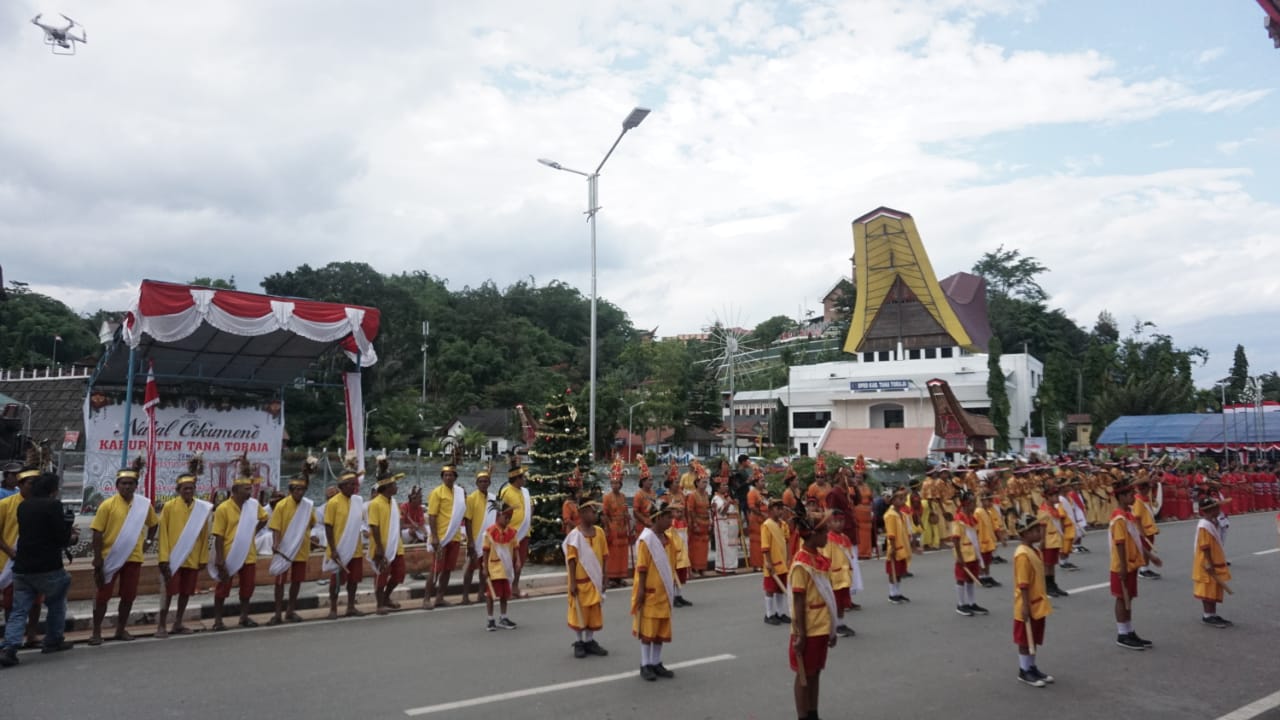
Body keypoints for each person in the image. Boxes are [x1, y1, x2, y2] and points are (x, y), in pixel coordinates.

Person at [0, 472, 79, 667]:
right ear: (53, 490)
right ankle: (53, 640)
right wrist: (72, 534)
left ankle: (10, 648)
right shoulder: (53, 505)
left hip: (22, 567)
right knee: (57, 603)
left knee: (19, 610)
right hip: (48, 566)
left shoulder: (23, 506)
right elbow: (61, 539)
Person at [89, 457, 159, 645]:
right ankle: (96, 632)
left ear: (136, 485)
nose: (127, 487)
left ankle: (120, 629)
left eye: (130, 483)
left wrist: (148, 542)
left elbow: (153, 524)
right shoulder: (107, 505)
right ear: (117, 485)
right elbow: (97, 532)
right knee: (102, 596)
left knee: (128, 596)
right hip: (109, 558)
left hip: (134, 557)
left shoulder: (143, 505)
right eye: (123, 483)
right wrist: (97, 559)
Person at [156, 454, 213, 637]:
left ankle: (178, 623)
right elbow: (162, 535)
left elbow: (205, 535)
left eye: (191, 488)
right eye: (185, 488)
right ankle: (162, 625)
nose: (188, 491)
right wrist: (164, 558)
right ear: (178, 489)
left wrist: (203, 558)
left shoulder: (202, 508)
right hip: (174, 557)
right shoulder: (169, 507)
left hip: (193, 557)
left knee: (186, 592)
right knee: (168, 593)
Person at [210, 457, 269, 630]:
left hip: (248, 554)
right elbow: (218, 536)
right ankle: (218, 620)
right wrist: (220, 559)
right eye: (246, 488)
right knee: (223, 588)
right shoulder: (223, 509)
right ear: (235, 490)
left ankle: (244, 617)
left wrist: (253, 532)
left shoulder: (253, 505)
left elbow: (264, 519)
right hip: (229, 554)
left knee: (247, 588)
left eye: (250, 488)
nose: (250, 491)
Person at [789, 510, 837, 720]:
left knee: (816, 671)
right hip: (807, 628)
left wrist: (832, 627)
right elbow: (798, 600)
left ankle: (813, 712)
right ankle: (802, 716)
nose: (828, 534)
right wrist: (800, 634)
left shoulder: (818, 558)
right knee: (803, 675)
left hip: (822, 626)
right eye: (824, 531)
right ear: (813, 534)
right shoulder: (801, 563)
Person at [632, 499, 677, 681]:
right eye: (668, 517)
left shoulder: (669, 539)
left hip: (664, 591)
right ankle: (645, 664)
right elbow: (642, 567)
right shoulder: (646, 540)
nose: (671, 521)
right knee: (648, 632)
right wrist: (641, 589)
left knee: (660, 630)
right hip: (650, 591)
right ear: (657, 518)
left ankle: (657, 662)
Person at [1110, 480, 1157, 651]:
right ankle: (1122, 633)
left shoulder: (1127, 514)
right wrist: (1122, 566)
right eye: (1129, 494)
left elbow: (1136, 542)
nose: (1133, 497)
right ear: (1121, 497)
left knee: (1129, 597)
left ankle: (1129, 631)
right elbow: (1120, 543)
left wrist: (1149, 555)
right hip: (1122, 565)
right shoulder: (1119, 518)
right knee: (1122, 598)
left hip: (1131, 563)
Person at [0, 461, 43, 649]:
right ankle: (11, 637)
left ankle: (32, 634)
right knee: (10, 603)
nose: (33, 486)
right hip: (9, 561)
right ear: (20, 485)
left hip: (35, 561)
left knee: (36, 601)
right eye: (29, 483)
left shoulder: (42, 505)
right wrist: (10, 552)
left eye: (36, 483)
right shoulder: (5, 505)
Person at [1012, 513, 1055, 688]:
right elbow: (1023, 583)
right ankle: (1024, 670)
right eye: (1035, 530)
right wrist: (1025, 606)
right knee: (1025, 639)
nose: (1039, 533)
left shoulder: (1033, 550)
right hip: (1027, 603)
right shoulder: (1022, 554)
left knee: (1034, 637)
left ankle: (1032, 666)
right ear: (1024, 534)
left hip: (1037, 601)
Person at [323, 455, 366, 619]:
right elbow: (328, 526)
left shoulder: (358, 501)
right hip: (339, 548)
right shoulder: (333, 503)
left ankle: (350, 607)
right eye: (350, 485)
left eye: (354, 485)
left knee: (354, 580)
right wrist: (333, 549)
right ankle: (333, 609)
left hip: (355, 548)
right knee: (336, 581)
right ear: (342, 486)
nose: (353, 487)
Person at [427, 450, 471, 609]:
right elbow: (432, 516)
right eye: (445, 475)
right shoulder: (436, 493)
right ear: (442, 477)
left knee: (447, 570)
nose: (448, 478)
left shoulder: (459, 492)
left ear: (455, 477)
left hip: (455, 536)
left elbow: (463, 513)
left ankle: (440, 597)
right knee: (435, 569)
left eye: (451, 475)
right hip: (441, 536)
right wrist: (435, 537)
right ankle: (427, 599)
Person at [565, 500, 608, 658]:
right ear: (582, 514)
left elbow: (604, 555)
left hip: (595, 580)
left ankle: (590, 641)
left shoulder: (600, 532)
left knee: (593, 611)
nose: (595, 515)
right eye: (592, 512)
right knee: (579, 611)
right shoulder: (575, 536)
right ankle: (579, 642)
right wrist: (573, 582)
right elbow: (571, 560)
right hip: (580, 581)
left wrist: (605, 576)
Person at [368, 458, 406, 615]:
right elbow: (374, 527)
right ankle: (379, 604)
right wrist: (379, 548)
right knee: (381, 575)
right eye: (394, 485)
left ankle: (386, 598)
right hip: (381, 546)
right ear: (387, 487)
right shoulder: (376, 503)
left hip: (396, 545)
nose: (396, 487)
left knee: (399, 575)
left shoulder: (394, 502)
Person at [1191, 495, 1232, 628]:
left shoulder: (1211, 523)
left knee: (1213, 588)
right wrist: (1209, 562)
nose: (1219, 509)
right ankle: (1207, 615)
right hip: (1207, 562)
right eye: (1216, 508)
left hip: (1213, 560)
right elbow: (1205, 546)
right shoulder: (1204, 526)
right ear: (1210, 510)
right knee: (1208, 590)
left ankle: (1212, 614)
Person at [480, 497, 519, 631]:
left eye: (510, 517)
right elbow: (485, 551)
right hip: (494, 567)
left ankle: (503, 617)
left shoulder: (512, 532)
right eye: (506, 517)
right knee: (491, 594)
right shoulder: (490, 532)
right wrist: (485, 567)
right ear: (499, 516)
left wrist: (518, 561)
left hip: (506, 567)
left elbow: (516, 548)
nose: (508, 520)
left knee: (504, 594)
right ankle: (490, 619)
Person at [950, 491, 988, 617]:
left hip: (973, 554)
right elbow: (955, 538)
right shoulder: (958, 519)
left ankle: (972, 603)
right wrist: (959, 557)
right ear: (966, 503)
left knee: (971, 579)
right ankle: (961, 604)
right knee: (961, 579)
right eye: (973, 502)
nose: (975, 504)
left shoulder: (972, 518)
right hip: (963, 555)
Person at [461, 465, 495, 604]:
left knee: (484, 569)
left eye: (486, 481)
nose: (483, 484)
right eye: (481, 481)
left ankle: (481, 594)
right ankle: (465, 596)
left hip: (488, 540)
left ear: (489, 483)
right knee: (470, 569)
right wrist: (470, 541)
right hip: (475, 538)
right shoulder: (471, 498)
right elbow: (468, 520)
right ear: (476, 483)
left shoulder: (493, 498)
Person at [820, 509, 857, 637]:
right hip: (833, 577)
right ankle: (833, 626)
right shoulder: (828, 539)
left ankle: (840, 624)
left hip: (844, 576)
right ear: (829, 524)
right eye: (835, 521)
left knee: (842, 603)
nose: (839, 524)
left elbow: (849, 557)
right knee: (833, 603)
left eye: (841, 521)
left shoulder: (845, 538)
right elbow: (825, 559)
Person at [499, 455, 531, 598]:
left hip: (524, 532)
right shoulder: (506, 492)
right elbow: (501, 512)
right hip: (511, 534)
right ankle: (506, 589)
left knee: (520, 563)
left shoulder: (525, 492)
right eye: (522, 477)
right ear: (516, 479)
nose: (524, 479)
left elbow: (531, 508)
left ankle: (515, 588)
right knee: (509, 562)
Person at [1037, 478, 1069, 598]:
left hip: (1055, 540)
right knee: (1047, 564)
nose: (1056, 497)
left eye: (1056, 494)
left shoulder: (1055, 509)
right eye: (1054, 495)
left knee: (1052, 564)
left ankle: (1053, 584)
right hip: (1048, 541)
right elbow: (1042, 527)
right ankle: (1047, 585)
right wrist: (1042, 541)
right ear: (1047, 497)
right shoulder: (1044, 510)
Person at [761, 499, 791, 625]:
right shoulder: (767, 525)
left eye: (781, 508)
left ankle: (780, 613)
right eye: (777, 508)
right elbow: (765, 547)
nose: (780, 511)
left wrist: (788, 558)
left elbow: (787, 542)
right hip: (772, 562)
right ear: (771, 510)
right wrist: (768, 562)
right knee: (770, 589)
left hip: (782, 562)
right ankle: (769, 614)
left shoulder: (784, 524)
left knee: (781, 588)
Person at [603, 470, 633, 588]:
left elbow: (625, 510)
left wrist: (627, 517)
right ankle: (611, 577)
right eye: (612, 483)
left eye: (617, 483)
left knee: (622, 553)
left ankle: (620, 576)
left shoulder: (623, 497)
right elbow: (604, 514)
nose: (615, 485)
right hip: (613, 527)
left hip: (623, 527)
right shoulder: (607, 497)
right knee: (613, 553)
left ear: (621, 484)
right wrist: (607, 528)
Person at [883, 488, 912, 604]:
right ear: (893, 500)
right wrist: (893, 548)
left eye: (904, 498)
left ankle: (898, 592)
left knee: (899, 571)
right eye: (900, 499)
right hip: (895, 546)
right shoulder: (890, 515)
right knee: (892, 571)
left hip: (902, 546)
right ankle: (892, 594)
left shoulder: (902, 514)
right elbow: (891, 533)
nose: (903, 501)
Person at [1132, 477, 1162, 580]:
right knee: (1145, 550)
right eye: (1147, 488)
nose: (1149, 490)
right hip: (1143, 529)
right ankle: (1143, 570)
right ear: (1143, 488)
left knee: (1148, 548)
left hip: (1149, 528)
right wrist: (1141, 533)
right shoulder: (1138, 500)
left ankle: (1146, 568)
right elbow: (1137, 518)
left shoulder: (1145, 498)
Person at [666, 499, 693, 608]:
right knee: (673, 575)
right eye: (677, 512)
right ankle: (672, 597)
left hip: (683, 550)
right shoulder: (670, 524)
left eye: (681, 511)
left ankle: (679, 595)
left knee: (681, 574)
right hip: (675, 552)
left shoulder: (683, 522)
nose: (680, 514)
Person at [711, 480, 740, 575]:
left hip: (732, 524)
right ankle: (723, 566)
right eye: (723, 485)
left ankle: (732, 566)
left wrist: (734, 502)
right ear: (718, 488)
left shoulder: (727, 497)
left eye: (727, 485)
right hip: (723, 524)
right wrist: (728, 503)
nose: (726, 486)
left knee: (732, 545)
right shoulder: (716, 499)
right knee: (724, 546)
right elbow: (722, 511)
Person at [974, 493, 1003, 588]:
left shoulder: (989, 512)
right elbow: (976, 527)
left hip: (988, 539)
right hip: (981, 539)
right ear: (982, 501)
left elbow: (995, 526)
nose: (991, 502)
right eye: (988, 500)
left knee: (987, 560)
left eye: (991, 500)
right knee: (981, 560)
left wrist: (1000, 538)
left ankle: (987, 576)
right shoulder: (978, 512)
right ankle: (981, 577)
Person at [686, 474, 711, 577]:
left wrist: (710, 522)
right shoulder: (692, 495)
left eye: (706, 482)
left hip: (705, 523)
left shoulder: (706, 494)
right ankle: (695, 568)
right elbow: (690, 510)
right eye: (703, 482)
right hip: (696, 523)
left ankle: (702, 568)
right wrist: (694, 523)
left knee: (704, 547)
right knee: (695, 547)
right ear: (697, 483)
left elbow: (708, 509)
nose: (705, 484)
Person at [745, 470, 767, 572]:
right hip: (756, 519)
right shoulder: (752, 493)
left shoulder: (764, 492)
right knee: (756, 543)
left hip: (764, 519)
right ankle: (756, 564)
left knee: (764, 542)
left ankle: (764, 563)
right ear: (756, 482)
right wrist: (762, 514)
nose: (764, 483)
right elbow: (752, 507)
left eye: (764, 481)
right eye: (762, 481)